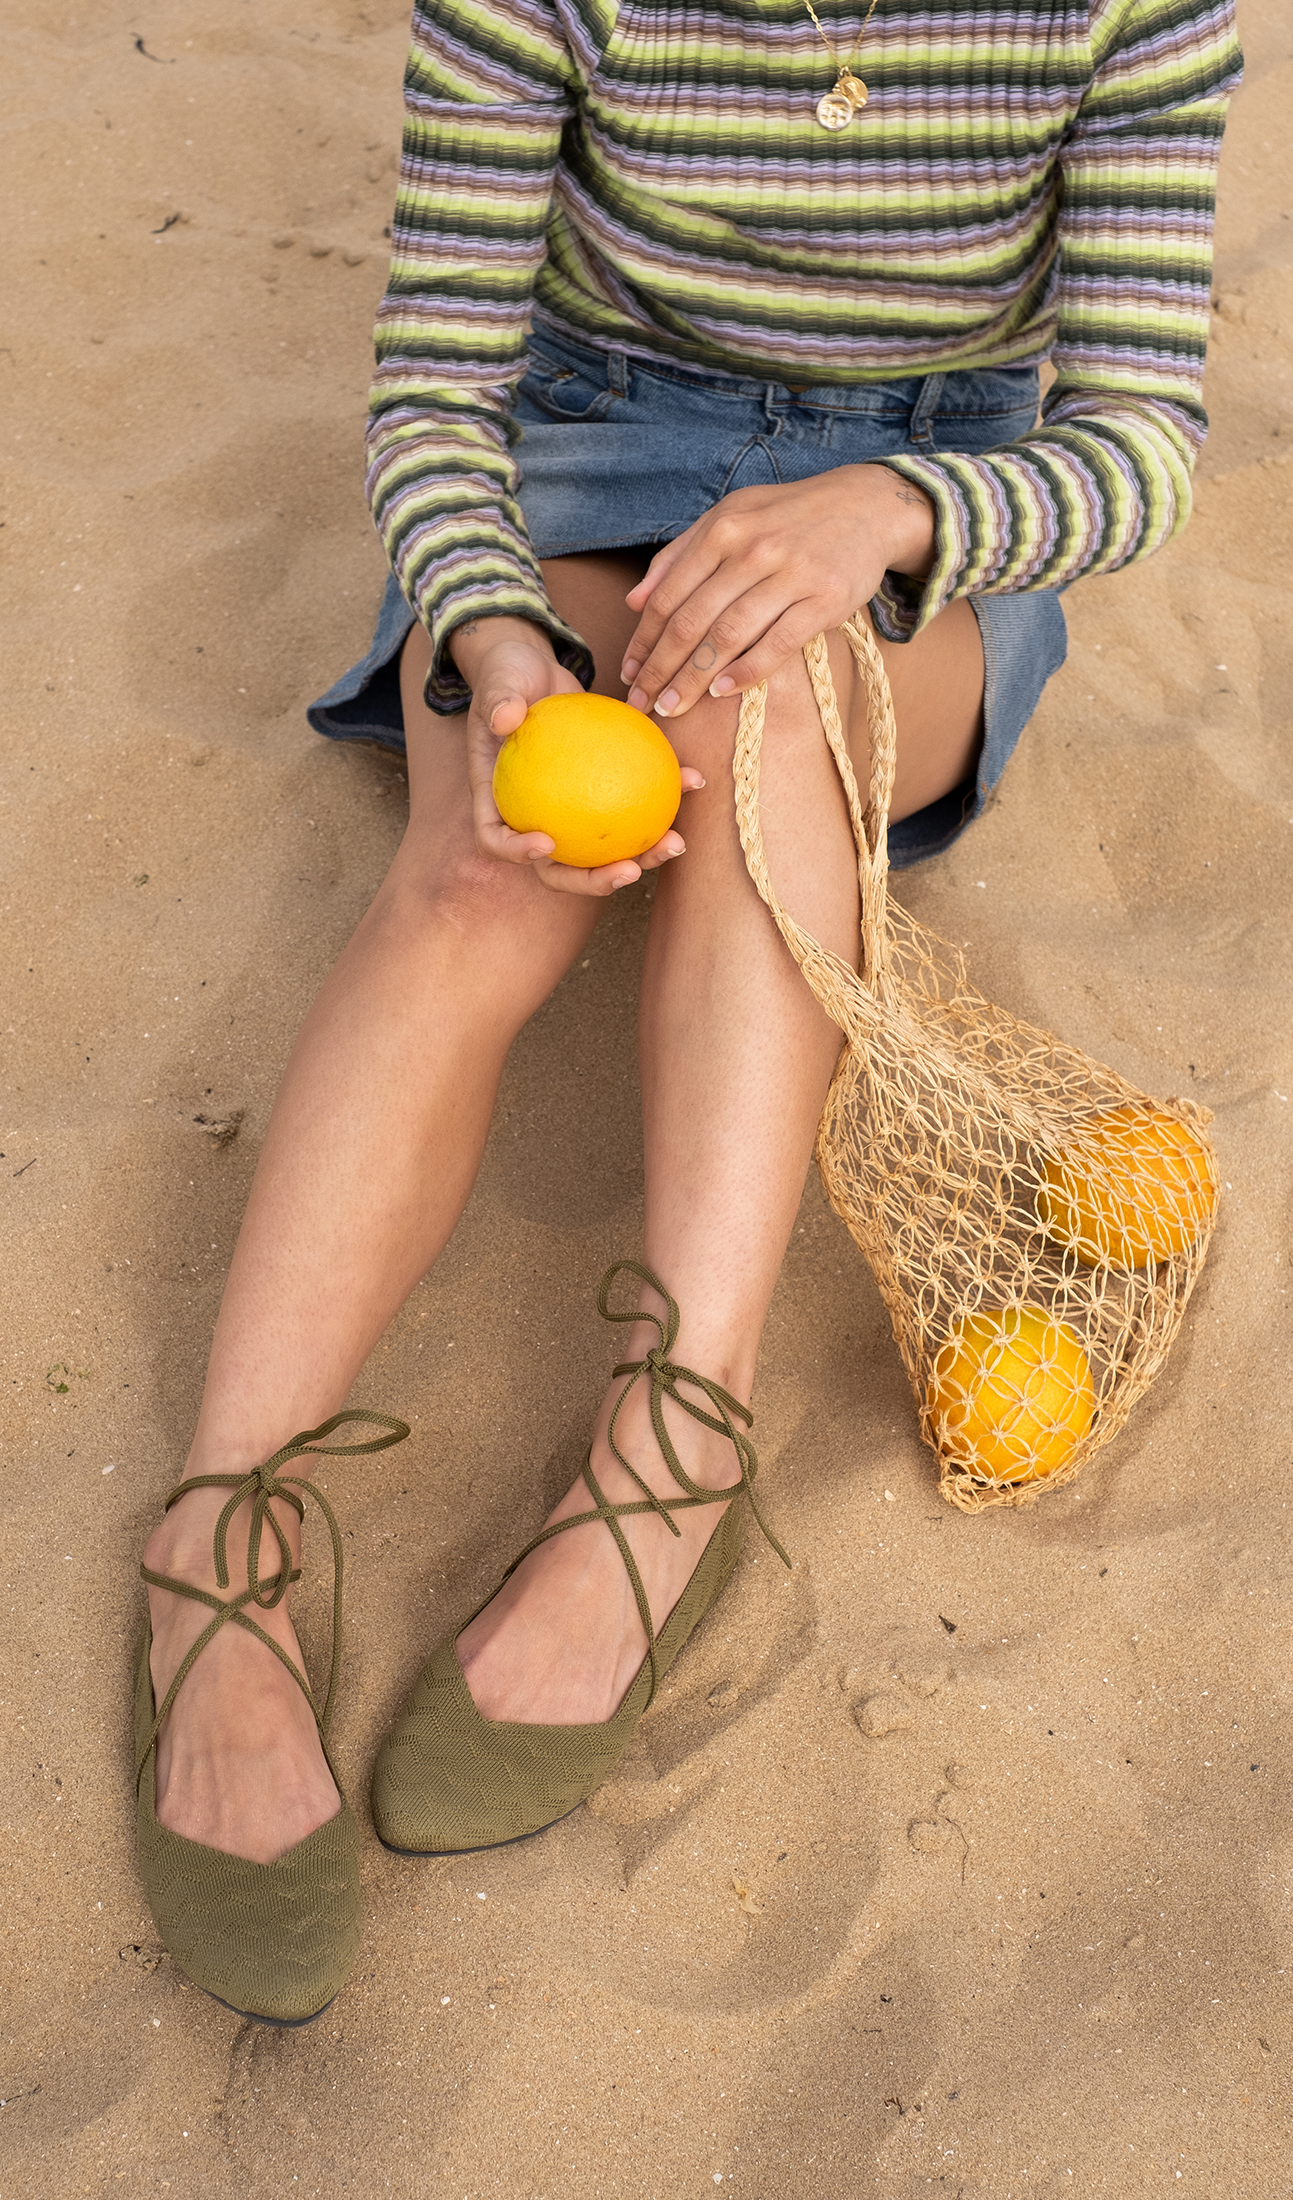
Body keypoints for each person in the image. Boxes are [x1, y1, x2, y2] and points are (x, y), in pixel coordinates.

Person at [132, 0, 1242, 2023]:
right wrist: (487, 629)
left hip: (923, 506)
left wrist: (883, 517)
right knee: (484, 850)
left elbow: (1139, 453)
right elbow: (433, 394)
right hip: (582, 450)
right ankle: (221, 1526)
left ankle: (677, 1448)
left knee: (766, 705)